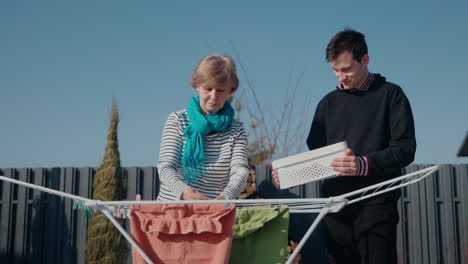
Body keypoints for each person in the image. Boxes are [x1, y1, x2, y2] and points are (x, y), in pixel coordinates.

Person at [273, 28, 416, 263]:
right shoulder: (327, 104)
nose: (341, 76)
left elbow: (405, 149)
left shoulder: (391, 95)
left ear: (365, 60)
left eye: (347, 69)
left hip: (377, 204)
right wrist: (288, 176)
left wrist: (362, 164)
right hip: (336, 209)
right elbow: (318, 158)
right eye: (335, 70)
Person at [156, 54, 249, 201]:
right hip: (172, 211)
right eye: (208, 88)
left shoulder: (236, 130)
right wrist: (185, 192)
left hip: (214, 213)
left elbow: (240, 171)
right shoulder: (177, 120)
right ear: (197, 86)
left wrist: (226, 197)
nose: (213, 96)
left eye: (220, 90)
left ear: (230, 90)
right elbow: (165, 167)